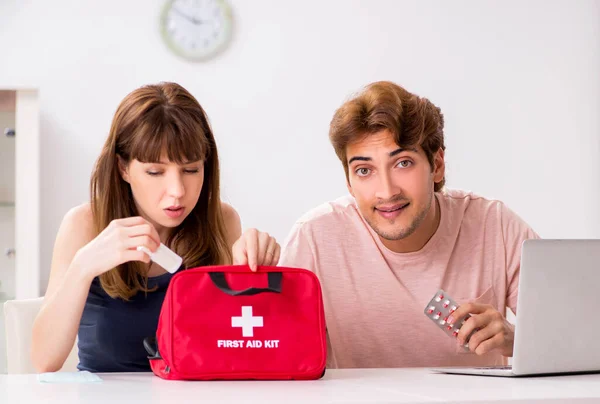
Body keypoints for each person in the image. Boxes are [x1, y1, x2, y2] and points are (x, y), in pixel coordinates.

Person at [279, 81, 538, 369]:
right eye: (364, 171)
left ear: (437, 164)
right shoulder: (314, 238)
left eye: (403, 163)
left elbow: (582, 335)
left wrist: (517, 339)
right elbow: (276, 355)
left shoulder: (496, 225)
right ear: (349, 181)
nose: (387, 191)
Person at [31, 82, 280, 373]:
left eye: (191, 170)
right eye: (154, 172)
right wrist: (84, 266)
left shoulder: (221, 222)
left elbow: (239, 347)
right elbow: (43, 360)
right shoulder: (84, 225)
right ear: (123, 168)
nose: (176, 191)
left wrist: (254, 278)